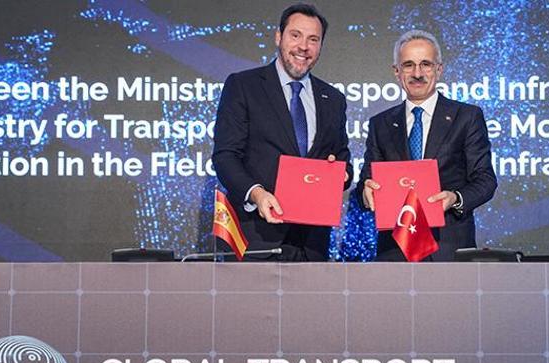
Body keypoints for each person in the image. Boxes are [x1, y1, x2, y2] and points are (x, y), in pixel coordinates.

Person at [213, 3, 352, 262]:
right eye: (295, 35)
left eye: (313, 39)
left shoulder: (333, 99)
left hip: (312, 245)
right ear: (279, 37)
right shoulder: (243, 85)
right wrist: (257, 194)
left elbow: (343, 159)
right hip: (256, 238)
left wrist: (340, 173)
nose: (303, 47)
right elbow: (225, 156)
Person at [358, 30, 497, 261]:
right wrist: (366, 192)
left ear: (439, 69)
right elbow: (367, 180)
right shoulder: (380, 124)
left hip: (448, 247)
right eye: (408, 65)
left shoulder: (467, 117)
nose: (417, 73)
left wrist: (455, 198)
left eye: (426, 64)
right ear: (396, 71)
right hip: (395, 249)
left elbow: (485, 180)